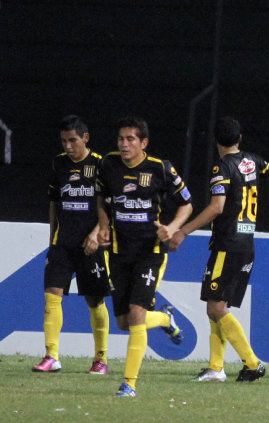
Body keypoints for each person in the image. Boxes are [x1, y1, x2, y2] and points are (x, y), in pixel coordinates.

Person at [169, 116, 269, 383]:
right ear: (240, 138)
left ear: (216, 140)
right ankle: (216, 368)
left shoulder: (221, 167)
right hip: (246, 244)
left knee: (215, 308)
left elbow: (217, 207)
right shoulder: (253, 160)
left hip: (228, 244)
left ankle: (252, 363)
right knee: (217, 307)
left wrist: (183, 231)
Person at [96, 116, 193, 397]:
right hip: (118, 252)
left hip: (150, 253)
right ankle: (165, 320)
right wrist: (103, 225)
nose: (124, 145)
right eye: (120, 139)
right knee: (125, 322)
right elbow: (101, 199)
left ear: (144, 143)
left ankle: (129, 383)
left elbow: (187, 203)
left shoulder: (161, 169)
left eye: (130, 139)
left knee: (137, 314)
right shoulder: (109, 165)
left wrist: (172, 228)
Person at [33, 115, 111, 375]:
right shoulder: (59, 164)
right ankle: (51, 355)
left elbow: (109, 206)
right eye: (64, 141)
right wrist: (51, 239)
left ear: (85, 138)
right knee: (51, 296)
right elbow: (54, 202)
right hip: (62, 244)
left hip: (92, 245)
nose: (68, 146)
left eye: (73, 140)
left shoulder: (101, 165)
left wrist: (97, 232)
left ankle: (100, 359)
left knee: (95, 301)